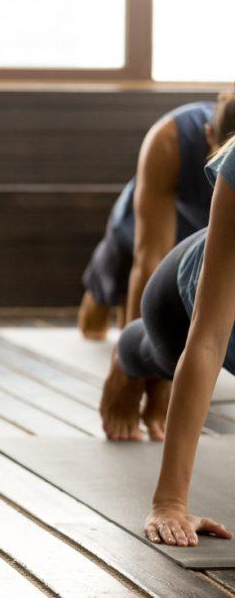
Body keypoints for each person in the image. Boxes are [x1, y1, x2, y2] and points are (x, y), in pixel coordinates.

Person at [106, 137, 235, 547]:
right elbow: (208, 340)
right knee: (154, 351)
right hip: (183, 302)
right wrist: (170, 503)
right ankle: (127, 355)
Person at [79, 95, 235, 340]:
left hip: (205, 226)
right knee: (94, 322)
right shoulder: (169, 138)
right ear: (207, 135)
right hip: (143, 222)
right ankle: (102, 301)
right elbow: (149, 258)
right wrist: (133, 353)